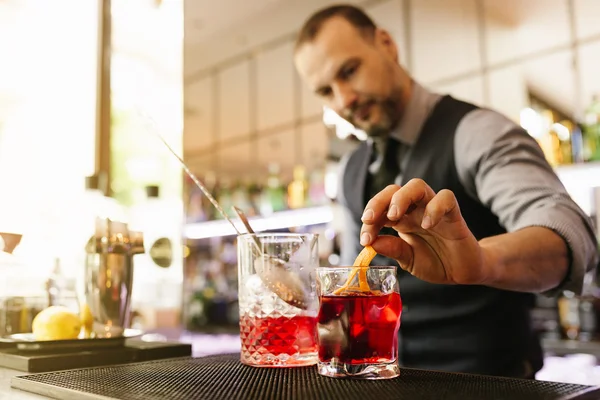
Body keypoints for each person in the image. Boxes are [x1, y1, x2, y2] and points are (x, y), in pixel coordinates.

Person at [293, 4, 599, 378]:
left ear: (386, 44)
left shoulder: (476, 132)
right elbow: (356, 279)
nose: (343, 100)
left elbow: (571, 236)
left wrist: (484, 262)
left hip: (489, 385)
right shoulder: (350, 170)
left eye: (349, 71)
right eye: (326, 91)